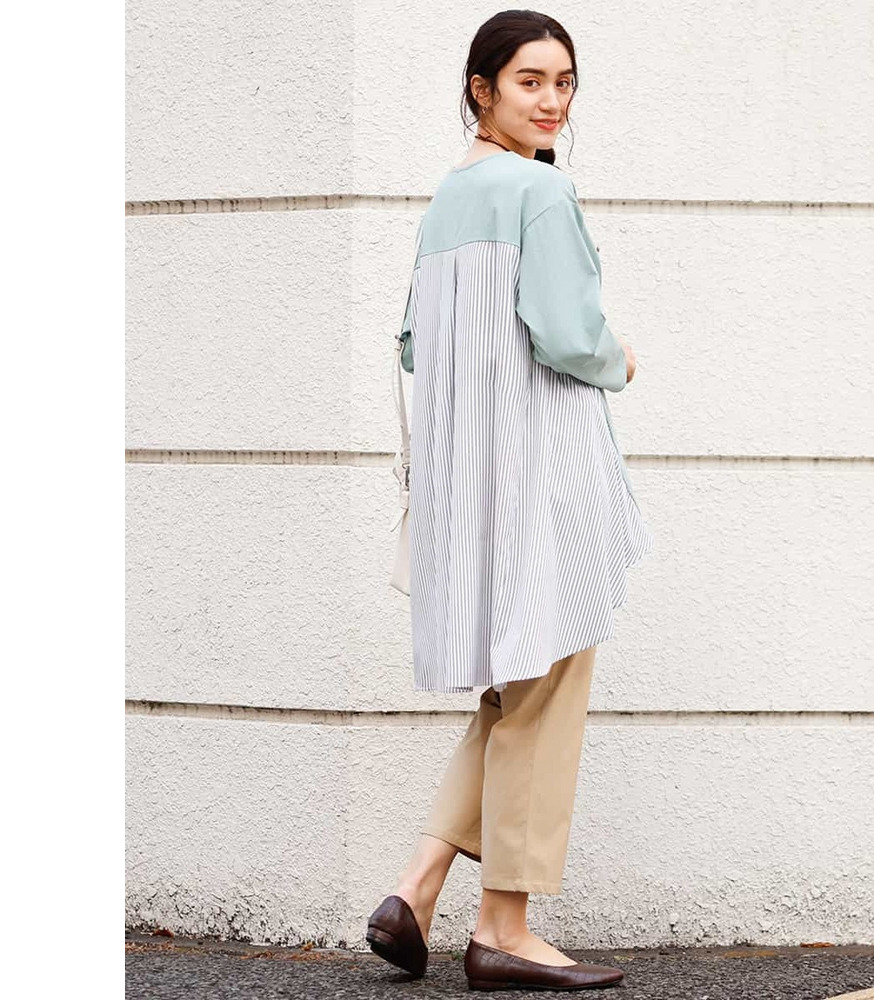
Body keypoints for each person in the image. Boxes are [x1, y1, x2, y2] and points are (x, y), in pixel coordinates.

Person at [367, 10, 654, 992]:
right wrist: (618, 356)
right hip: (543, 475)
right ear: (481, 89)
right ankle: (505, 927)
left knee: (513, 690)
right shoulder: (541, 191)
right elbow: (569, 335)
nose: (552, 100)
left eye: (564, 82)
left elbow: (413, 346)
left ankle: (414, 889)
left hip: (472, 482)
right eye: (531, 81)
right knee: (547, 688)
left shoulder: (448, 199)